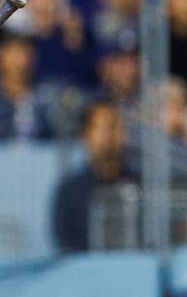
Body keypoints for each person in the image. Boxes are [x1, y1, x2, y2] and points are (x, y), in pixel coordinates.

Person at [51, 100, 137, 252]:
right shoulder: (70, 192)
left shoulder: (139, 186)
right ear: (86, 135)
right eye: (104, 128)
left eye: (116, 127)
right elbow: (66, 245)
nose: (110, 136)